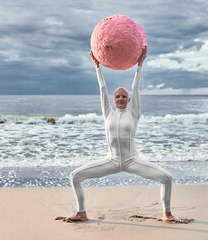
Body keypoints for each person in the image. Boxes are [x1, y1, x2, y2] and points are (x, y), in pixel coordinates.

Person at [66, 46, 182, 223]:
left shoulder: (133, 114)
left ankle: (167, 214)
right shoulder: (108, 114)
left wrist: (139, 65)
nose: (120, 99)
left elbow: (135, 88)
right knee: (75, 176)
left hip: (131, 161)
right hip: (111, 161)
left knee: (166, 178)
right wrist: (97, 66)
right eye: (117, 96)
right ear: (114, 100)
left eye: (123, 97)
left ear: (128, 100)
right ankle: (81, 212)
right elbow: (102, 89)